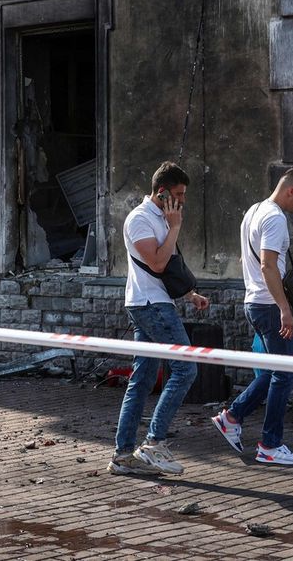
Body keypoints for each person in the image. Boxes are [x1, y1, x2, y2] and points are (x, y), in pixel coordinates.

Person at [107, 161, 210, 476]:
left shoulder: (160, 218)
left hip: (154, 300)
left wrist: (189, 294)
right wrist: (175, 226)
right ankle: (153, 442)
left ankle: (122, 455)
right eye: (179, 194)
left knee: (142, 381)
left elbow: (166, 268)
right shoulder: (140, 219)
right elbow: (156, 262)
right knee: (185, 369)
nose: (183, 200)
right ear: (163, 193)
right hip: (150, 305)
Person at [211, 168, 293, 465]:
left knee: (271, 372)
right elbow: (268, 266)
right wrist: (284, 309)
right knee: (284, 374)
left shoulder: (253, 211)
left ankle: (232, 417)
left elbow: (248, 259)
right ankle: (270, 444)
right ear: (290, 191)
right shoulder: (276, 218)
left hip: (254, 301)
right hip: (268, 305)